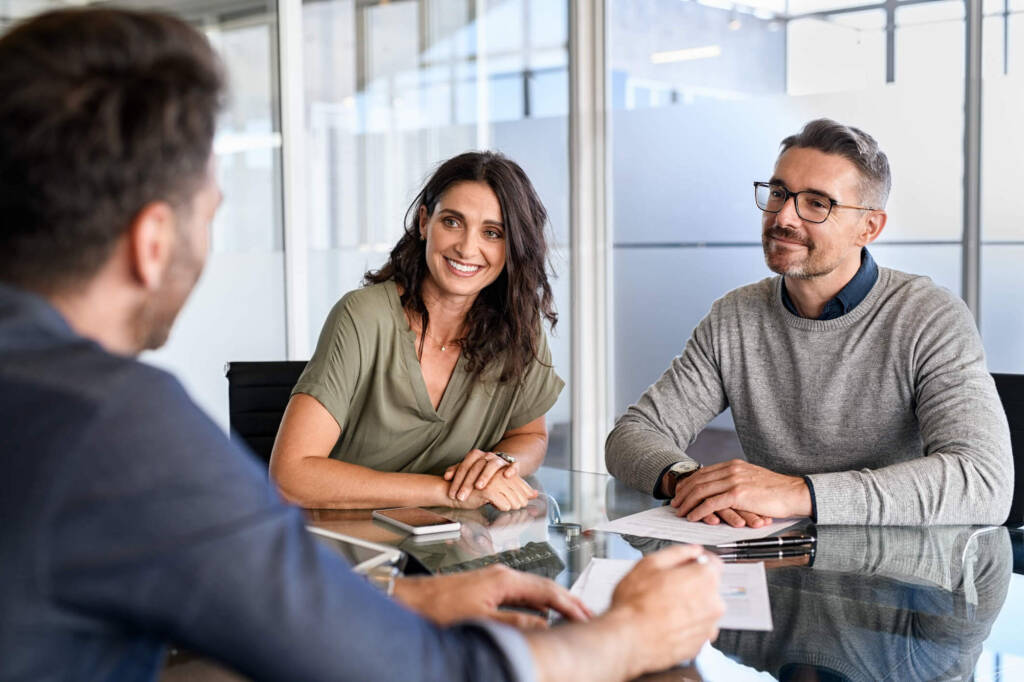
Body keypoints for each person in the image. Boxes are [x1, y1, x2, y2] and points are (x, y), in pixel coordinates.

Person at [0, 8, 725, 682]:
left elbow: (236, 612)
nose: (469, 245)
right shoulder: (117, 428)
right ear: (153, 242)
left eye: (494, 232)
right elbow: (416, 671)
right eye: (212, 210)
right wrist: (628, 633)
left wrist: (407, 603)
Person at [606, 118, 1013, 527]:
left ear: (868, 227)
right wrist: (690, 482)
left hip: (900, 575)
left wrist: (796, 492)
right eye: (779, 193)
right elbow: (632, 435)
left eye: (817, 203)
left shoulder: (928, 317)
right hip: (771, 563)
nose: (784, 217)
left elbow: (982, 482)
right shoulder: (734, 317)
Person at [270, 151, 563, 511]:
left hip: (453, 550)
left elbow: (529, 434)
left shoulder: (520, 326)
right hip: (345, 548)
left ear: (512, 245)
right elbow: (290, 476)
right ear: (425, 222)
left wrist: (501, 463)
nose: (467, 247)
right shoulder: (363, 316)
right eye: (452, 222)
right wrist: (447, 493)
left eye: (492, 233)